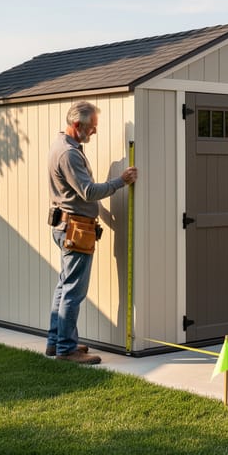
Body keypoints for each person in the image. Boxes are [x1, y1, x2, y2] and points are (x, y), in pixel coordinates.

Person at [46, 101, 138, 364]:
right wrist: (121, 181)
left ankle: (57, 342)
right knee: (74, 291)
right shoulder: (69, 154)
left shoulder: (61, 145)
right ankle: (66, 349)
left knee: (64, 287)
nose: (95, 131)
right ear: (77, 125)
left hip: (67, 226)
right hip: (75, 230)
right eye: (92, 127)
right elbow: (88, 192)